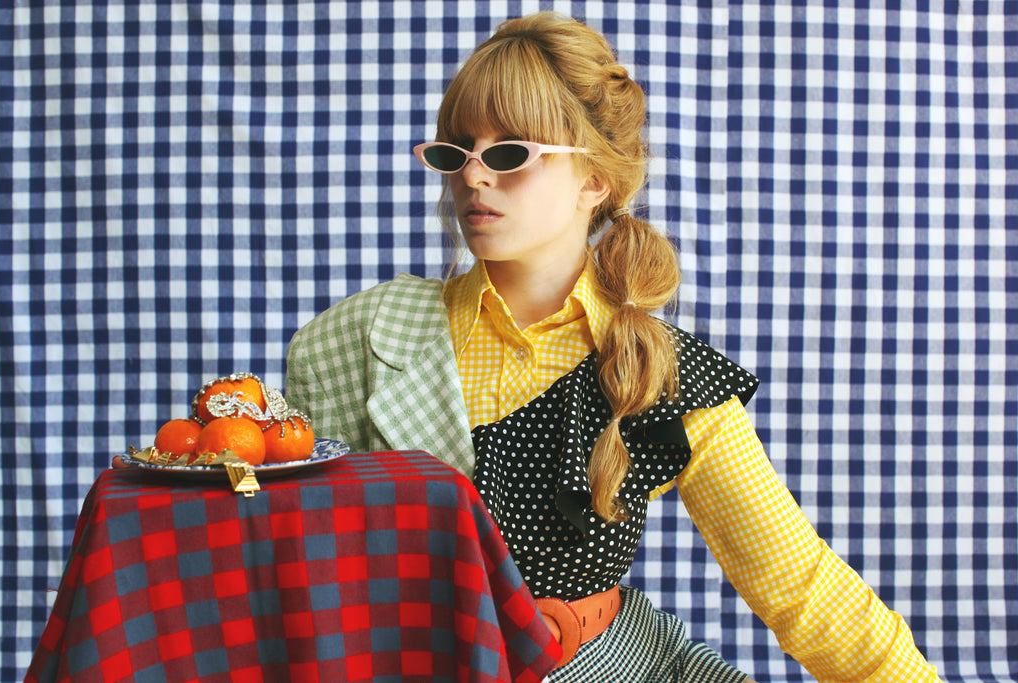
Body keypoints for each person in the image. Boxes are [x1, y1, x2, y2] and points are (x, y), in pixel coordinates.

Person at [284, 12, 941, 682]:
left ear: (594, 181)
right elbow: (303, 573)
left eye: (510, 152)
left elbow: (801, 585)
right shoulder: (358, 339)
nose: (474, 176)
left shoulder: (660, 370)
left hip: (622, 665)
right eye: (457, 151)